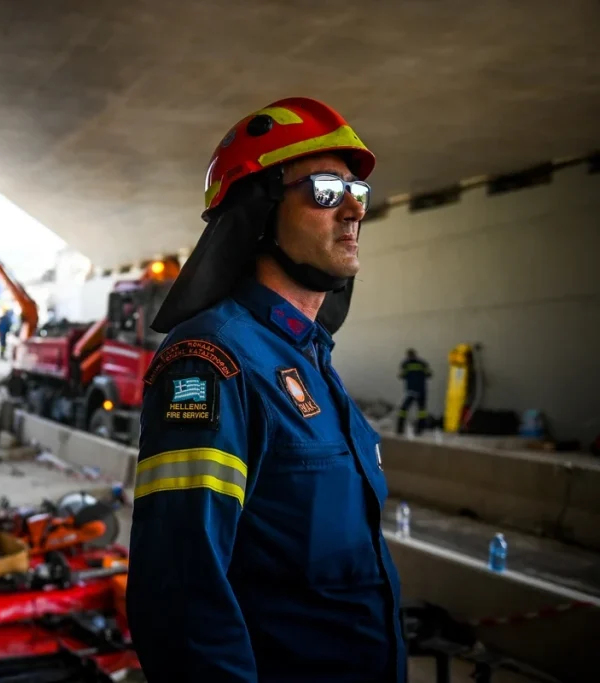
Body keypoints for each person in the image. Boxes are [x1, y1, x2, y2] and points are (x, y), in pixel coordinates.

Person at [127, 98, 405, 683]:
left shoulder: (311, 358)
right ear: (258, 211)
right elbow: (181, 603)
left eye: (359, 192)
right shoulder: (210, 363)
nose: (354, 208)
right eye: (327, 190)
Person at [398, 348, 432, 435]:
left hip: (411, 391)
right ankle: (420, 429)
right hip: (421, 390)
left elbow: (401, 375)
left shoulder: (405, 364)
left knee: (403, 409)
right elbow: (429, 374)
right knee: (421, 411)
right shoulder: (422, 363)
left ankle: (400, 428)